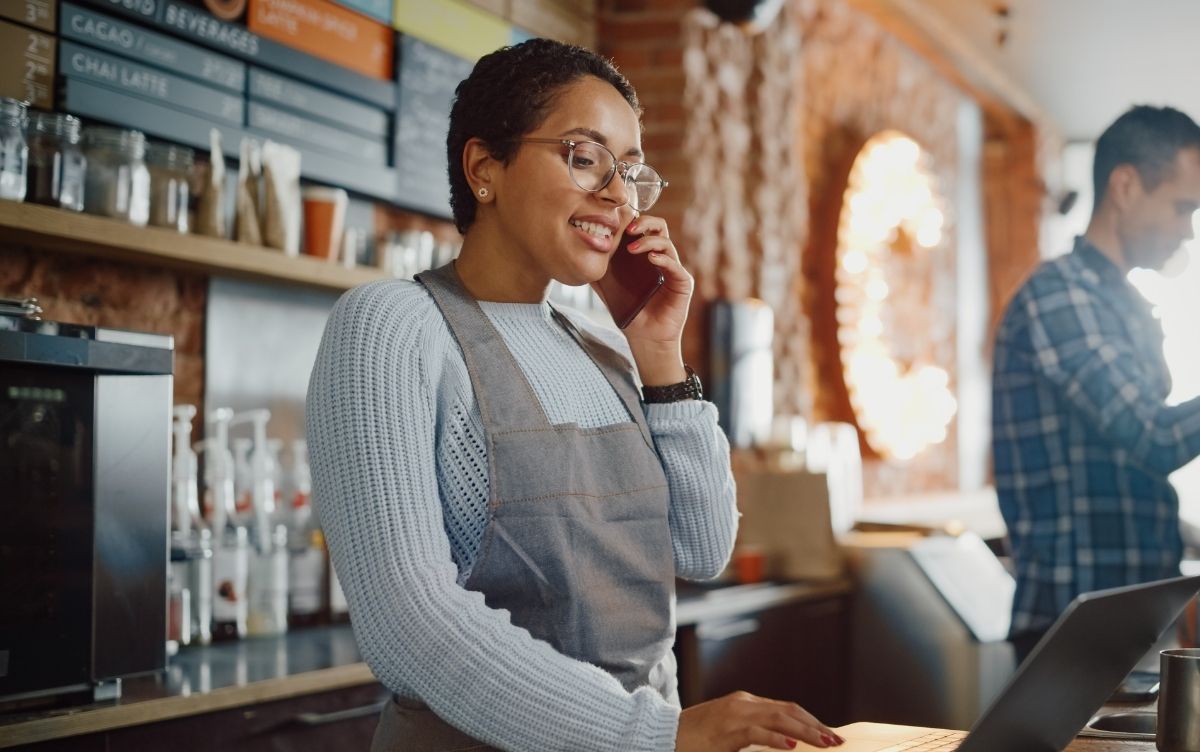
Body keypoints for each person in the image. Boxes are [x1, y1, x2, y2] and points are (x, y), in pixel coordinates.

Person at [306, 39, 844, 752]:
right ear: (483, 168)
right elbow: (409, 623)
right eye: (585, 158)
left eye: (628, 172)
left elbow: (702, 548)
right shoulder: (392, 326)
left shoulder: (606, 345)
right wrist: (649, 733)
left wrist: (658, 352)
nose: (618, 198)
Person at [993, 105, 1200, 664]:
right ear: (1126, 185)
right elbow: (1153, 438)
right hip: (1074, 625)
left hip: (1134, 616)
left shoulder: (1125, 305)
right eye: (1183, 208)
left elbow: (1125, 479)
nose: (1187, 230)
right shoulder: (1061, 294)